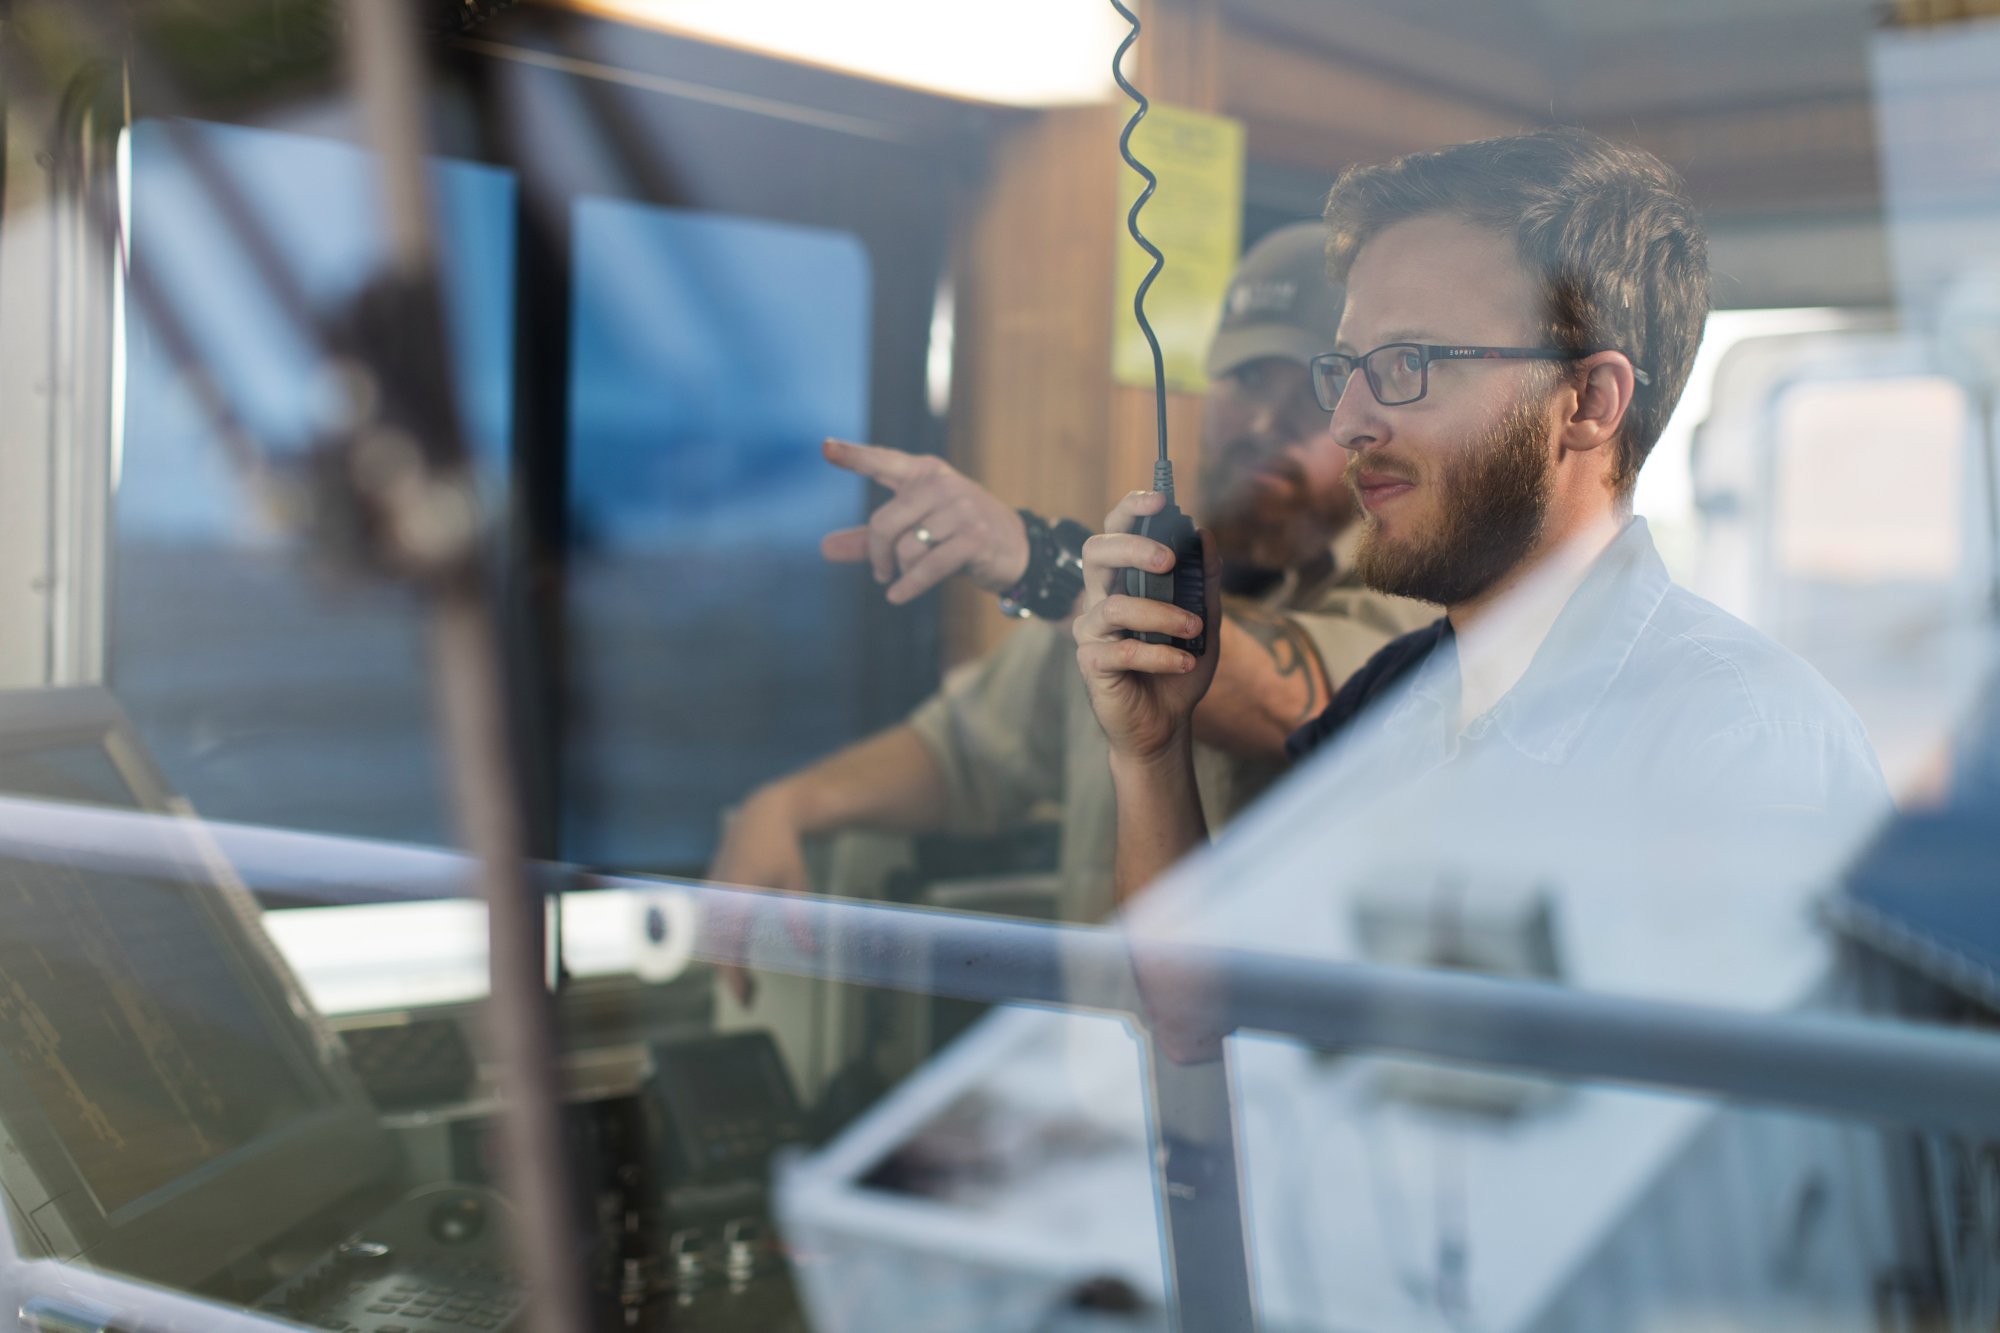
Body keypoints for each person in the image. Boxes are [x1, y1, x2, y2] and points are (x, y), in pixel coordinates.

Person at [1076, 129, 1890, 914]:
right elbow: (1208, 1017)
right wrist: (1151, 753)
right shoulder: (1386, 706)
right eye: (1347, 368)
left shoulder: (1743, 744)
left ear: (1588, 403)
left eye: (1409, 363)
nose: (1348, 423)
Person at [707, 224, 1430, 1000]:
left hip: (1274, 1090)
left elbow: (1299, 702)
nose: (1263, 425)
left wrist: (1036, 560)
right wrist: (785, 804)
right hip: (1104, 1083)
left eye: (1311, 390)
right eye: (1248, 380)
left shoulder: (1410, 587)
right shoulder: (1120, 584)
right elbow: (963, 754)